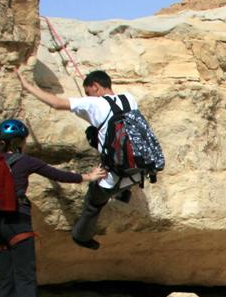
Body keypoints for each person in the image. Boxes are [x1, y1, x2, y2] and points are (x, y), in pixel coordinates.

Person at [0, 118, 106, 297]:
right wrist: (89, 177)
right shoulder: (25, 161)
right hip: (18, 222)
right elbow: (57, 174)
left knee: (6, 281)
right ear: (22, 141)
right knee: (25, 280)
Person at [16, 68, 141, 250]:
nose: (87, 96)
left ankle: (81, 236)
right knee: (97, 134)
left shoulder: (94, 103)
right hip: (139, 169)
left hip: (116, 174)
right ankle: (123, 192)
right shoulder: (129, 98)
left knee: (93, 200)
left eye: (88, 92)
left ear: (95, 86)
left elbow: (56, 103)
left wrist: (28, 86)